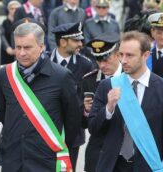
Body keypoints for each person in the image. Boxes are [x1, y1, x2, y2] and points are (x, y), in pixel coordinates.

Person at [89, 31, 163, 171]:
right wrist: (108, 108)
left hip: (148, 166)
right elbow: (93, 128)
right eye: (121, 54)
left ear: (145, 55)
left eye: (129, 55)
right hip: (113, 166)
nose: (123, 60)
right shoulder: (107, 85)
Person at [0, 22, 81, 171]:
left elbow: (72, 121)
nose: (21, 53)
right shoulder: (5, 75)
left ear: (42, 47)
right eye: (18, 47)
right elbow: (4, 114)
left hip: (45, 161)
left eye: (27, 47)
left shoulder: (61, 76)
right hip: (13, 159)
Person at [50, 22, 92, 170]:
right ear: (62, 42)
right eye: (76, 40)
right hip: (46, 129)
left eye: (80, 40)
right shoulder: (43, 61)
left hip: (72, 134)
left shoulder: (86, 65)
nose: (81, 44)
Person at [82, 32, 122, 172]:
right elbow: (84, 125)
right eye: (98, 61)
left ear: (118, 54)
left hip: (125, 150)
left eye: (106, 59)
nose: (102, 65)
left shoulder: (130, 77)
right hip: (99, 149)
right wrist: (86, 111)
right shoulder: (89, 80)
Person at [0, 0, 21, 65]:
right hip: (7, 51)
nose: (14, 10)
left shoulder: (21, 21)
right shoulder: (5, 22)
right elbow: (2, 35)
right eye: (12, 8)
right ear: (8, 9)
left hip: (18, 51)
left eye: (16, 8)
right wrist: (7, 48)